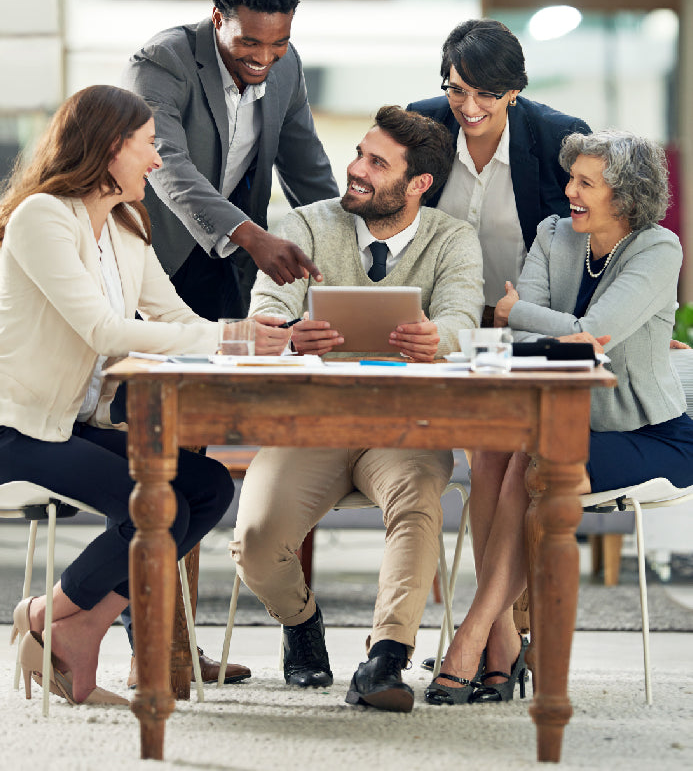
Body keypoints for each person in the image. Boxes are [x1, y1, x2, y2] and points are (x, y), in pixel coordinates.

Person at [0, 85, 287, 706]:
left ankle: (78, 629)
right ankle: (46, 616)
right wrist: (227, 335)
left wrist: (257, 338)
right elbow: (102, 329)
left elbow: (170, 317)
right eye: (148, 145)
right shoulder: (42, 217)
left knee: (207, 487)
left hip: (73, 421)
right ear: (110, 149)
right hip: (19, 424)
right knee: (155, 508)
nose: (158, 161)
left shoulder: (126, 227)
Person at [425, 129, 693, 708]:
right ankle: (500, 642)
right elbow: (532, 338)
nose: (569, 190)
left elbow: (595, 333)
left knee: (532, 457)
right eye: (572, 177)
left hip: (646, 435)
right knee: (491, 448)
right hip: (553, 420)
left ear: (625, 196)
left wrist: (516, 307)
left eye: (585, 183)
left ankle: (473, 639)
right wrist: (537, 323)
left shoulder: (657, 249)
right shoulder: (553, 233)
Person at [231, 105, 484, 713]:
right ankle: (301, 621)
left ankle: (386, 659)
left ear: (418, 183)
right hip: (311, 423)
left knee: (418, 504)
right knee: (257, 542)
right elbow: (265, 306)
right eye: (358, 155)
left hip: (406, 427)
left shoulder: (453, 240)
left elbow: (462, 316)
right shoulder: (309, 225)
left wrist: (437, 338)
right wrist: (290, 332)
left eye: (376, 163)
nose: (356, 170)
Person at [120, 0, 339, 322]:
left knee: (221, 368)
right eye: (250, 42)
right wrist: (252, 236)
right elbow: (166, 163)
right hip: (156, 249)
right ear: (219, 19)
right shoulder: (162, 61)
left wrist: (346, 242)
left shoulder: (288, 70)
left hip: (228, 263)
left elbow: (308, 170)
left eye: (279, 43)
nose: (265, 58)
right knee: (141, 372)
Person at [407, 18, 590, 323]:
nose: (469, 107)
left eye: (486, 94)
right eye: (457, 90)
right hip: (432, 321)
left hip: (524, 323)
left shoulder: (560, 139)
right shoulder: (423, 122)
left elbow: (602, 235)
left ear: (514, 90)